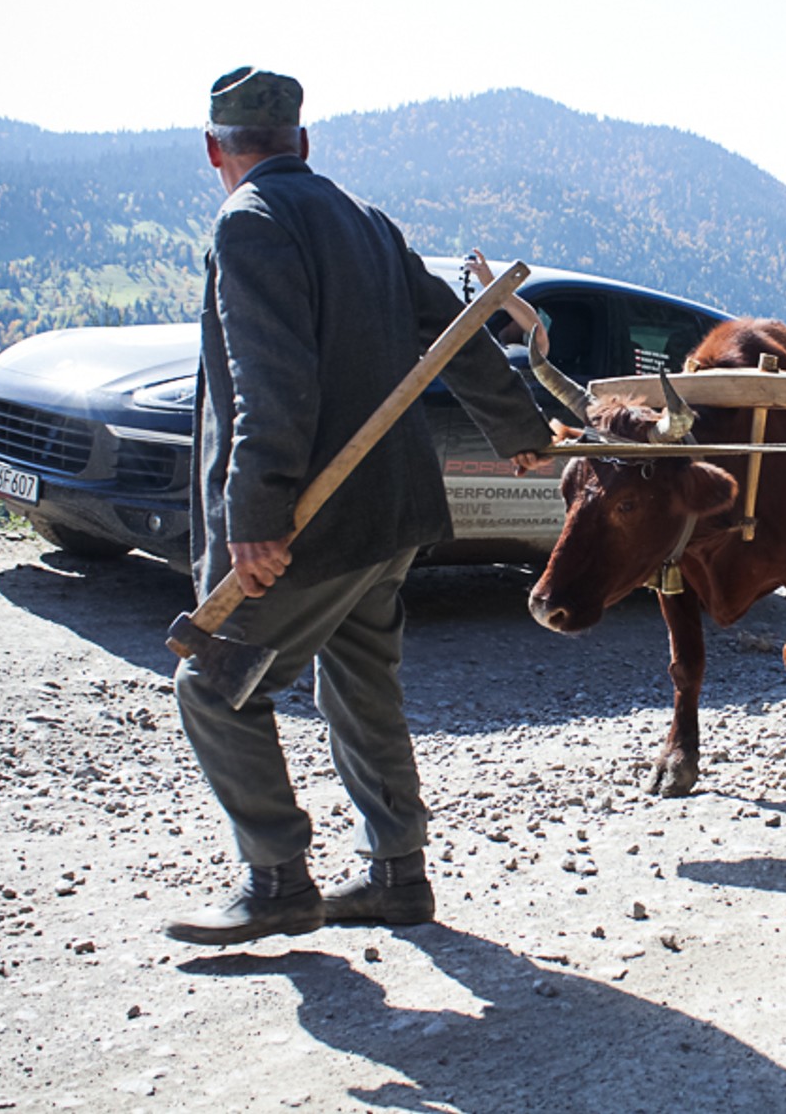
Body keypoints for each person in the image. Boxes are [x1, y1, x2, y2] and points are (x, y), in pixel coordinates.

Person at [165, 67, 554, 946]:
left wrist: (254, 517)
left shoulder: (249, 222)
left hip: (314, 521)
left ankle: (277, 881)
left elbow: (270, 383)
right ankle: (396, 875)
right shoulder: (365, 221)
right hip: (392, 512)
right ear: (302, 142)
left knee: (212, 687)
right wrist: (517, 426)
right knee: (360, 682)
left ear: (213, 149)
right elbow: (453, 329)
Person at [462, 249, 550, 356]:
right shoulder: (471, 348)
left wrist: (492, 285)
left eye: (511, 314)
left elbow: (538, 334)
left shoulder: (530, 360)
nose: (504, 322)